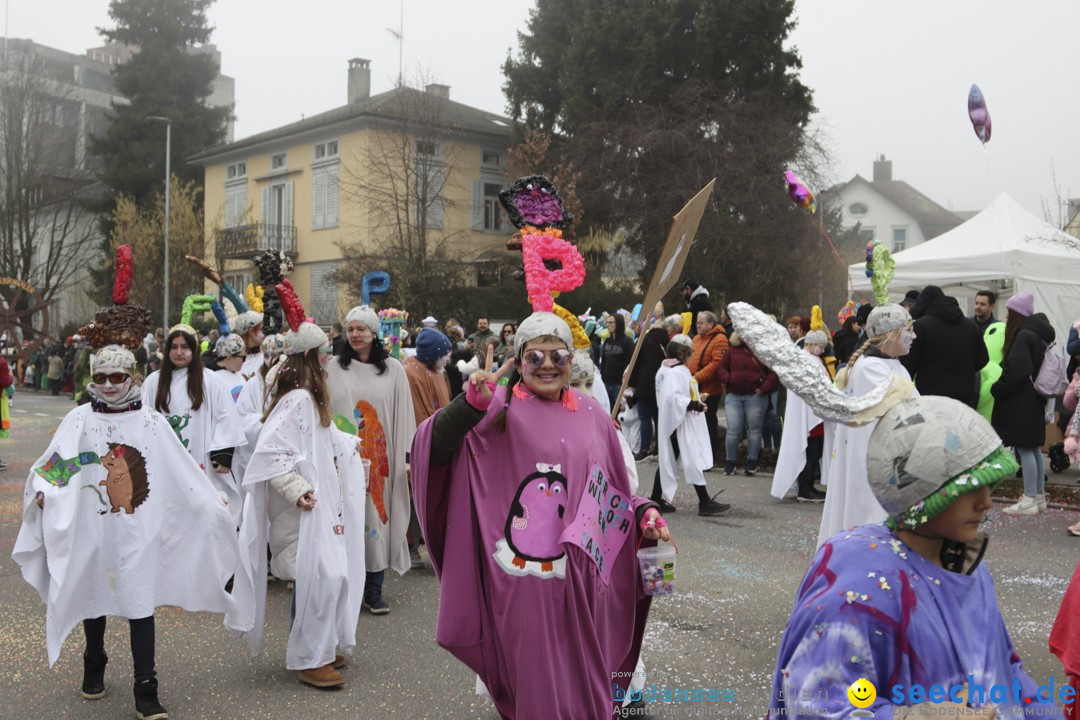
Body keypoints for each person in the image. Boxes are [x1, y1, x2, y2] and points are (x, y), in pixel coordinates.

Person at [411, 312, 672, 719]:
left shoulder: (592, 416)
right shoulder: (495, 408)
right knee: (538, 692)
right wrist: (469, 406)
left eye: (558, 355)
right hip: (525, 586)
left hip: (584, 587)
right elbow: (436, 449)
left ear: (572, 361)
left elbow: (611, 495)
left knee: (586, 691)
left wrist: (645, 513)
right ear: (518, 362)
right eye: (535, 357)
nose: (548, 364)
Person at [13, 260, 238, 720]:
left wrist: (209, 501)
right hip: (93, 528)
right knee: (94, 590)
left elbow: (180, 471)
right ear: (92, 380)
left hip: (139, 530)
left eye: (119, 377)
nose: (110, 385)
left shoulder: (152, 423)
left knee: (138, 598)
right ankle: (93, 660)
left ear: (133, 377)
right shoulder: (79, 419)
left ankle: (145, 687)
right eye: (102, 378)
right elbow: (58, 465)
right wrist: (43, 490)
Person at [768, 396, 1064, 719]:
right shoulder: (860, 588)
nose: (986, 502)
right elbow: (816, 702)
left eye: (989, 486)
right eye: (968, 488)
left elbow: (1003, 667)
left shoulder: (967, 567)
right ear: (922, 493)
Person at [227, 282, 366, 689]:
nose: (328, 357)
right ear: (309, 356)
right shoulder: (297, 400)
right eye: (322, 351)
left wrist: (351, 448)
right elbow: (272, 451)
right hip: (302, 507)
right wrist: (296, 488)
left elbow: (321, 439)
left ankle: (322, 646)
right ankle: (309, 657)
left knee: (330, 575)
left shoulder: (310, 397)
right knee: (320, 576)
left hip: (321, 504)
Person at [327, 305, 417, 614]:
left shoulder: (393, 370)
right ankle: (344, 588)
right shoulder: (332, 368)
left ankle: (374, 589)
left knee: (375, 521)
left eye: (360, 329)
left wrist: (406, 456)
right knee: (346, 522)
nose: (354, 334)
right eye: (350, 329)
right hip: (343, 462)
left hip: (379, 462)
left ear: (373, 332)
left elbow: (404, 415)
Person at [818, 304, 916, 547]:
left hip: (888, 458)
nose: (914, 336)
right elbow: (903, 409)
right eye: (909, 330)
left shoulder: (892, 365)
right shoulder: (871, 368)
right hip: (874, 464)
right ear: (890, 335)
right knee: (872, 521)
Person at [142, 323, 246, 526]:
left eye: (185, 347)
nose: (179, 352)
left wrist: (223, 451)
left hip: (201, 459)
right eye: (174, 347)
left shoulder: (211, 381)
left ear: (195, 349)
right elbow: (142, 420)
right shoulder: (153, 383)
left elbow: (226, 417)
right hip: (164, 461)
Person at [992, 291, 1053, 515]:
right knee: (1033, 448)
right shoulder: (1037, 334)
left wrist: (998, 388)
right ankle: (1037, 495)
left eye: (1009, 312)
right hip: (1034, 396)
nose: (1007, 317)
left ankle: (1029, 498)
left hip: (1022, 399)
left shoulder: (1024, 334)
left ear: (1017, 313)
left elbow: (1017, 370)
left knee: (1025, 447)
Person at [654, 334, 729, 516]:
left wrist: (693, 401)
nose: (693, 354)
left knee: (670, 460)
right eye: (691, 351)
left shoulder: (670, 369)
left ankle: (655, 500)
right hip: (680, 423)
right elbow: (673, 398)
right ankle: (704, 502)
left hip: (678, 421)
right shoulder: (675, 372)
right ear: (682, 352)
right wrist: (692, 404)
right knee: (690, 458)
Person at [772, 314, 835, 503]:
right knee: (811, 452)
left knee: (813, 452)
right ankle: (805, 488)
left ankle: (807, 485)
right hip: (811, 416)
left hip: (811, 415)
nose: (823, 350)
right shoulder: (808, 362)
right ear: (813, 345)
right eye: (821, 347)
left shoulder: (805, 360)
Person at [901, 284, 989, 408]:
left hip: (931, 396)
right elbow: (983, 359)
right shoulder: (971, 326)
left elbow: (908, 365)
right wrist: (962, 370)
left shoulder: (921, 326)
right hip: (965, 396)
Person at [717, 329, 777, 476]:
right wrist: (728, 378)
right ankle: (730, 461)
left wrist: (763, 388)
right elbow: (721, 368)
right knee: (733, 429)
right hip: (734, 395)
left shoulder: (762, 350)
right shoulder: (732, 351)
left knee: (754, 429)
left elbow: (772, 372)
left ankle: (751, 461)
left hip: (755, 396)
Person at [626, 307, 669, 460]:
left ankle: (644, 449)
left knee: (645, 418)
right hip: (662, 385)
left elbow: (635, 363)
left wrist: (632, 384)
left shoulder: (645, 340)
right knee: (659, 418)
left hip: (645, 384)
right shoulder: (668, 341)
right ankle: (659, 449)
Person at [687, 311, 729, 453]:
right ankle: (697, 452)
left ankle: (710, 454)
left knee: (707, 422)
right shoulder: (697, 339)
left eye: (701, 323)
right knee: (695, 422)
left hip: (709, 389)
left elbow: (717, 364)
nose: (698, 325)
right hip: (694, 387)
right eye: (697, 322)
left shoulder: (720, 339)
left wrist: (696, 377)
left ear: (711, 324)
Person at [600, 313, 634, 409]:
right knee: (607, 412)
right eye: (607, 323)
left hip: (619, 385)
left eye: (611, 322)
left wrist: (625, 384)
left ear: (618, 323)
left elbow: (630, 364)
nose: (608, 325)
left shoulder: (627, 342)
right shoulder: (607, 341)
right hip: (606, 383)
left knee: (619, 414)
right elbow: (603, 362)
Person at [213, 334, 248, 403]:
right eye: (243, 358)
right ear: (229, 358)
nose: (244, 361)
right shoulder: (214, 380)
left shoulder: (238, 374)